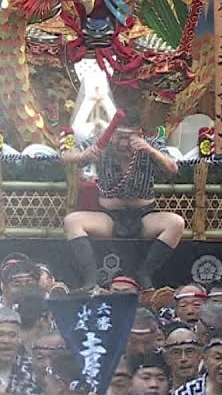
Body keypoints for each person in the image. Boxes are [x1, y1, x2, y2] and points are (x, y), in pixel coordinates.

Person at [61, 111, 182, 291]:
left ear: (139, 134)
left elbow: (173, 168)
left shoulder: (150, 145)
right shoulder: (102, 142)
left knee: (176, 223)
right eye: (119, 137)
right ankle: (90, 279)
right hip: (109, 217)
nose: (124, 144)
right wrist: (85, 155)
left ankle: (145, 273)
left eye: (129, 138)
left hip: (144, 217)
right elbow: (66, 156)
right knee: (72, 221)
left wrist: (150, 150)